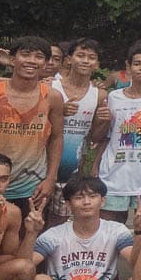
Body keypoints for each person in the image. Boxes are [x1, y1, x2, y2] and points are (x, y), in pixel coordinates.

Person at [0, 36, 63, 219]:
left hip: (33, 185)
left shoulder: (53, 97)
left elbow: (56, 137)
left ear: (45, 64)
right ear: (13, 59)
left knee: (29, 232)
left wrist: (51, 179)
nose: (31, 61)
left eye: (38, 56)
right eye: (25, 54)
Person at [89, 41, 141, 224]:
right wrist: (102, 121)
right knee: (110, 229)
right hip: (113, 175)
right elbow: (99, 137)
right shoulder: (113, 97)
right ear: (128, 67)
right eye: (137, 63)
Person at [51, 38, 104, 186]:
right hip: (43, 167)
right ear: (69, 59)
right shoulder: (51, 87)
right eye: (80, 55)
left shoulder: (100, 95)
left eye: (91, 57)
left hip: (75, 172)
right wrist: (59, 112)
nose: (86, 61)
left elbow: (95, 137)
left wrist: (103, 121)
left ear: (97, 64)